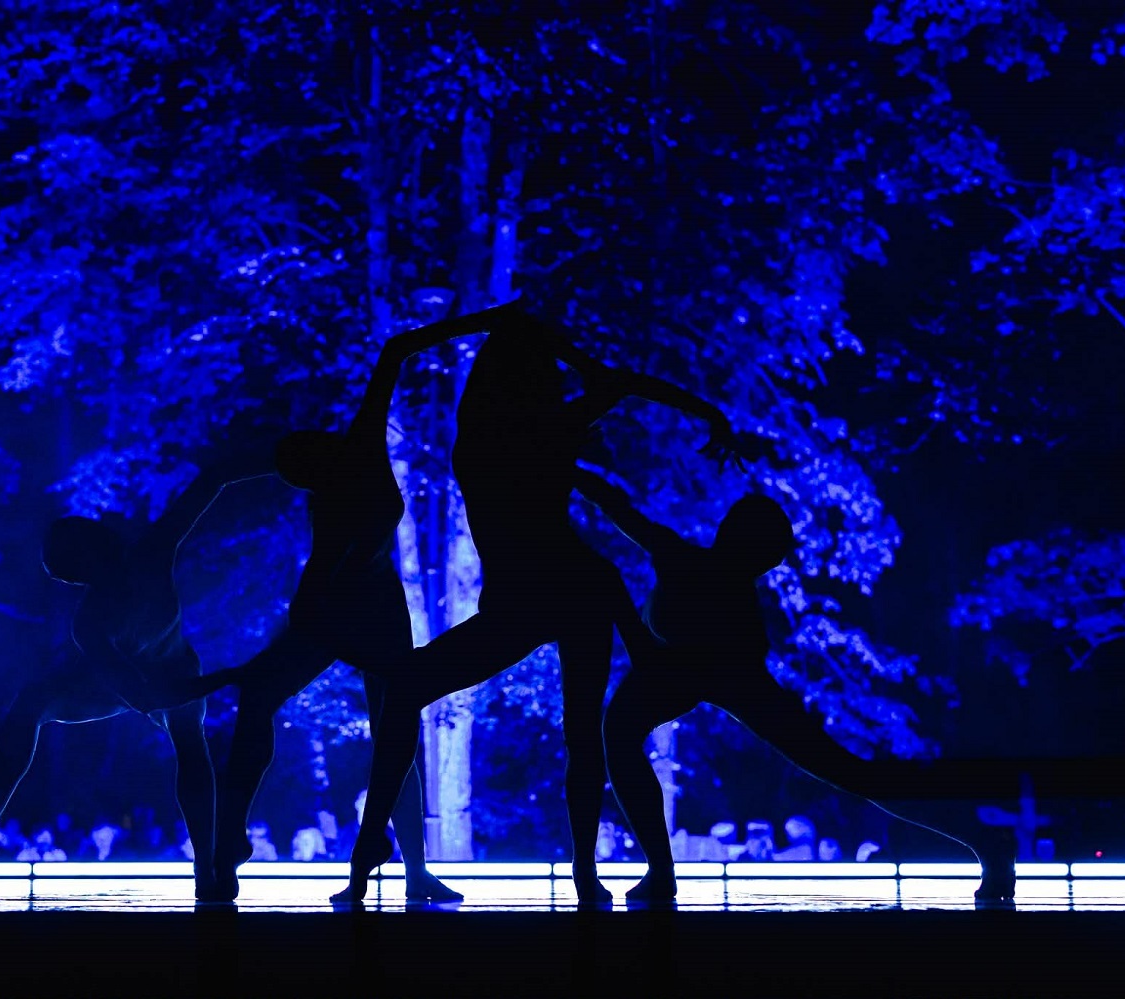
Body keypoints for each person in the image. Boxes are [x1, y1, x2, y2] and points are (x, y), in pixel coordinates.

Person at [333, 302, 742, 904]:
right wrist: (708, 414)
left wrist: (512, 331)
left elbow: (596, 380)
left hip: (530, 598)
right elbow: (622, 383)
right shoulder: (551, 434)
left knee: (413, 691)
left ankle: (374, 847)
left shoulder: (480, 444)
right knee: (582, 735)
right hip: (575, 590)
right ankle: (584, 875)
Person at [155, 306, 534, 903]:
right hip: (350, 610)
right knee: (365, 721)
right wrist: (493, 321)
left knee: (376, 725)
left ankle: (396, 865)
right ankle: (248, 837)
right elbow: (396, 351)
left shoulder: (354, 452)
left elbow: (397, 350)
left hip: (356, 610)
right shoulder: (347, 464)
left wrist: (494, 320)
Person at [580, 469, 1022, 903]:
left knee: (851, 773)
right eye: (768, 557)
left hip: (723, 675)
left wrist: (575, 473)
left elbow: (621, 511)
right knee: (618, 732)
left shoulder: (702, 577)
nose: (768, 566)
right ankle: (661, 871)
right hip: (689, 672)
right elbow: (619, 509)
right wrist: (571, 471)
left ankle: (986, 843)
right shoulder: (684, 559)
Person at [0, 449, 273, 907]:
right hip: (136, 681)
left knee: (187, 738)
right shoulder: (94, 618)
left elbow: (215, 477)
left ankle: (206, 864)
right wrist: (231, 676)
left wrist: (286, 462)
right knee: (36, 702)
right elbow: (145, 696)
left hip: (163, 671)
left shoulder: (147, 557)